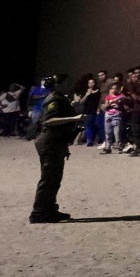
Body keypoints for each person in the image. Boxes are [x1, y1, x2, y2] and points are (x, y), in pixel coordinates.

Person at [29, 78, 95, 223]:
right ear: (57, 84)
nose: (69, 85)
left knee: (54, 179)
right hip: (49, 141)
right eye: (66, 82)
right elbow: (48, 121)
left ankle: (49, 210)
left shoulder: (60, 98)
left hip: (56, 141)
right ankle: (38, 213)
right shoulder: (53, 99)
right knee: (48, 179)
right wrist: (74, 118)